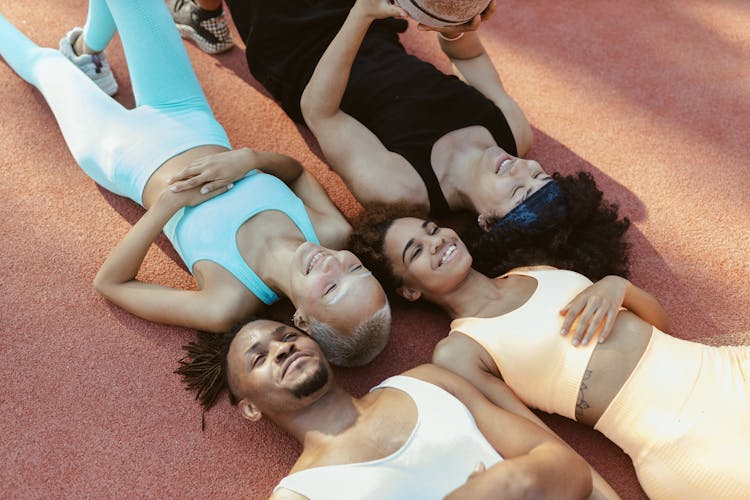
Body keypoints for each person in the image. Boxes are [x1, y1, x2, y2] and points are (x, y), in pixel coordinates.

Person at [0, 0, 390, 366]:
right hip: (186, 110)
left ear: (303, 321)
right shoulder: (332, 231)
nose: (334, 265)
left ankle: (75, 59)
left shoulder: (228, 302)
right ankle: (86, 50)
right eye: (356, 271)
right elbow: (299, 173)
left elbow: (112, 284)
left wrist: (168, 205)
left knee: (44, 63)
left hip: (117, 152)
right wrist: (250, 159)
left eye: (330, 289)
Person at [349, 208, 750, 499]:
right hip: (677, 443)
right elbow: (541, 442)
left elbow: (659, 327)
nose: (437, 242)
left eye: (432, 229)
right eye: (415, 252)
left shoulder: (535, 271)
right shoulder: (459, 352)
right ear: (408, 290)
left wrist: (617, 286)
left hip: (725, 369)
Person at [222, 0, 631, 280]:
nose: (522, 168)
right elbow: (468, 57)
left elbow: (320, 111)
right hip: (375, 29)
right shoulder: (511, 131)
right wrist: (459, 24)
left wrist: (359, 15)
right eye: (540, 176)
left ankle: (199, 13)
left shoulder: (404, 190)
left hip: (296, 51)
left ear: (488, 222)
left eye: (518, 191)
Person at [176, 317, 596, 499]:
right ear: (250, 409)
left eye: (287, 336)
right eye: (259, 358)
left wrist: (493, 489)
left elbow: (567, 467)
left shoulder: (427, 383)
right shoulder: (300, 496)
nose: (282, 349)